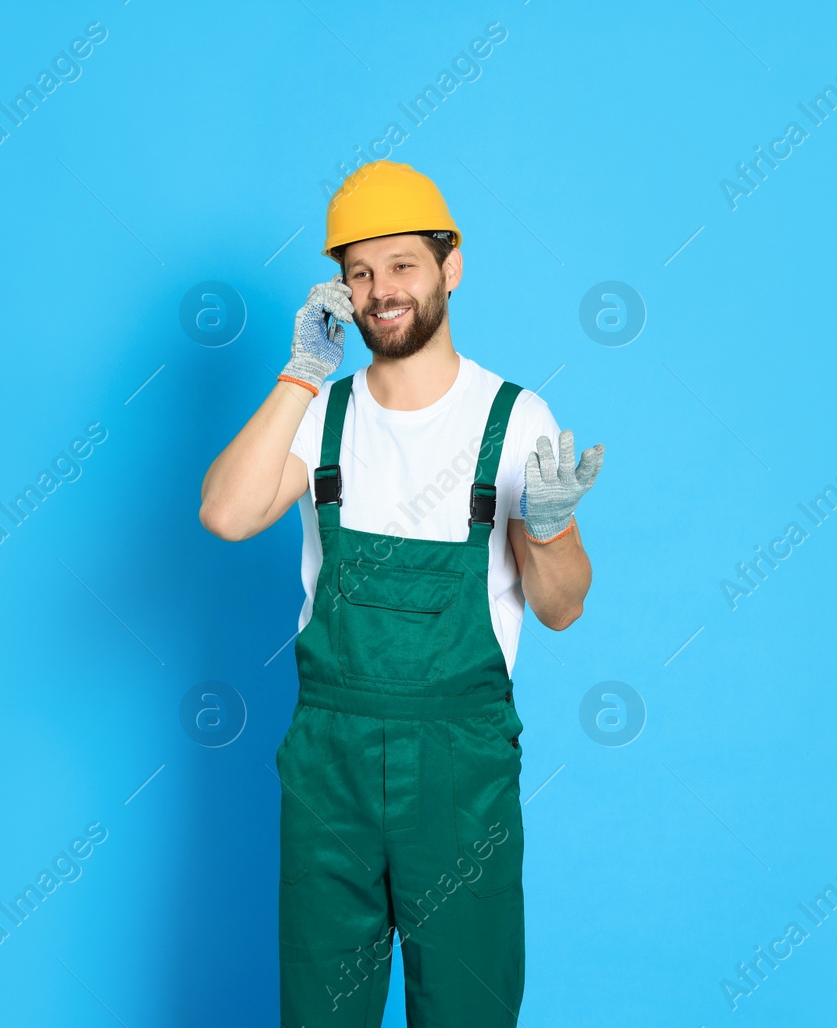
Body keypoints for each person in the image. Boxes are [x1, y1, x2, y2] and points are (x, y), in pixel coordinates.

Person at [199, 159, 603, 1027]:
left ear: (450, 268)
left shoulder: (514, 419)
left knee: (468, 1008)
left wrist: (554, 526)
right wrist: (302, 372)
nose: (382, 291)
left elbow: (563, 607)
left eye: (403, 265)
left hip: (462, 768)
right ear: (341, 288)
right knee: (320, 1011)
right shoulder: (322, 412)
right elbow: (227, 514)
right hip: (330, 766)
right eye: (360, 272)